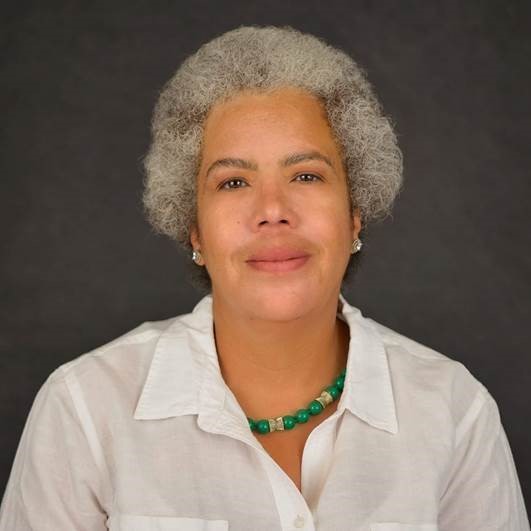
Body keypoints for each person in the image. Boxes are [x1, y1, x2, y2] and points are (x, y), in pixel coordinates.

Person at [0, 25, 528, 531]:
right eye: (232, 181)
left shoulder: (455, 412)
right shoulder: (85, 409)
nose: (272, 209)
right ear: (196, 234)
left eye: (306, 175)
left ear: (354, 217)